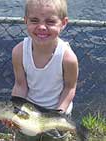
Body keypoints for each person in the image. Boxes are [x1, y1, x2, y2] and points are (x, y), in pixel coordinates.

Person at [10, 0, 79, 140]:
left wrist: (58, 114)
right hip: (27, 114)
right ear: (25, 21)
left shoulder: (68, 58)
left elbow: (69, 88)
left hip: (58, 112)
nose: (41, 27)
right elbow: (20, 85)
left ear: (63, 23)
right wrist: (14, 112)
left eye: (50, 22)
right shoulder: (19, 52)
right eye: (34, 20)